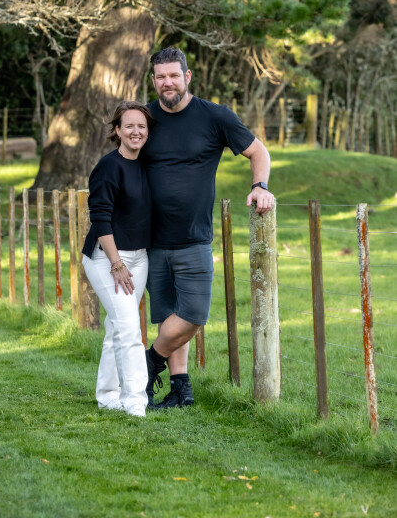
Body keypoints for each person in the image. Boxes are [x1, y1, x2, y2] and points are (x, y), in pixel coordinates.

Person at [142, 47, 275, 409]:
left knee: (193, 314)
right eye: (160, 77)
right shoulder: (145, 119)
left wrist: (259, 186)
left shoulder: (215, 117)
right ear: (153, 81)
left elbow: (258, 152)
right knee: (168, 316)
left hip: (194, 238)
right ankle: (180, 389)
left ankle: (147, 364)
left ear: (187, 77)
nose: (167, 82)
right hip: (151, 240)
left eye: (174, 75)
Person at [82, 100, 154, 417]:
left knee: (116, 328)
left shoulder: (148, 164)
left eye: (141, 126)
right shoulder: (109, 167)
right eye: (129, 126)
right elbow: (100, 218)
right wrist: (116, 264)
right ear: (117, 131)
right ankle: (136, 400)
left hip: (139, 257)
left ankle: (108, 395)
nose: (136, 131)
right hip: (106, 258)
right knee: (129, 327)